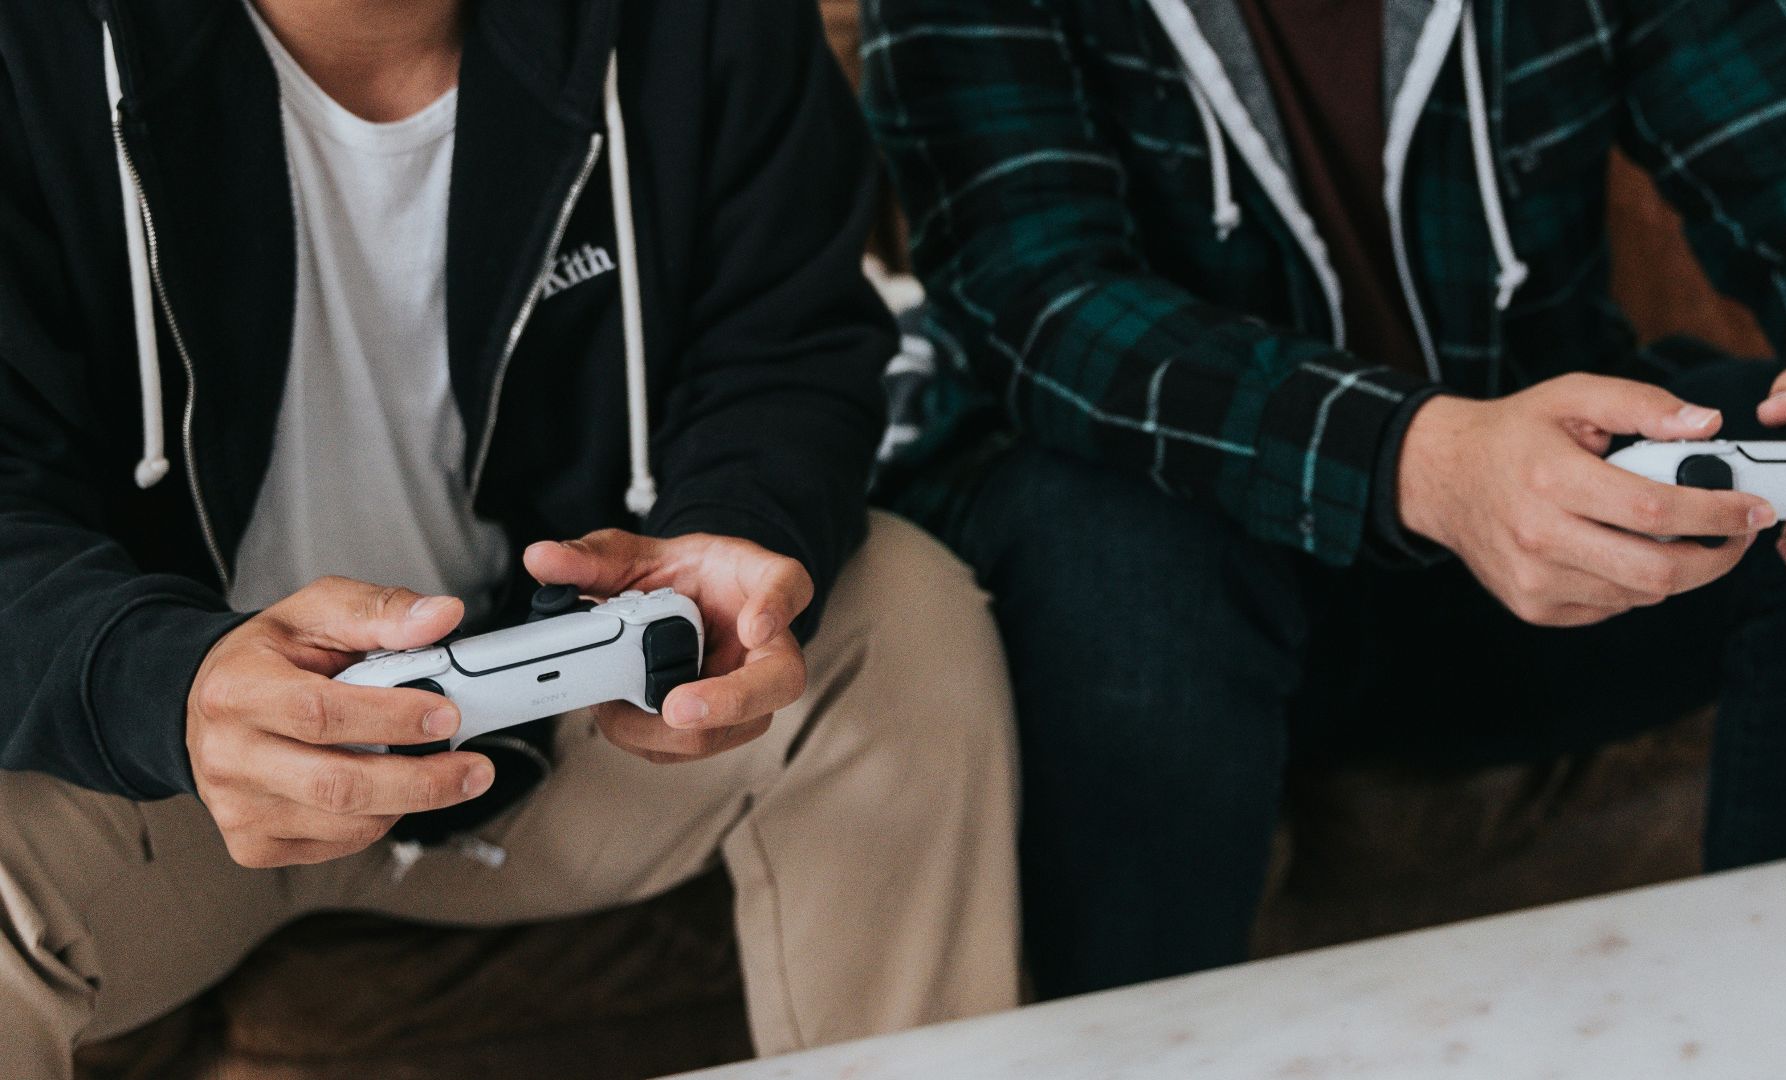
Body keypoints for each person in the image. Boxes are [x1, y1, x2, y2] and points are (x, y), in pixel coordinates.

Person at [0, 0, 1021, 1073]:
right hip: (162, 779)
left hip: (566, 736)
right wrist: (161, 687)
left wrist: (730, 534)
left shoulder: (712, 25)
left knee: (903, 619)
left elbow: (785, 347)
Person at [862, 0, 1786, 999]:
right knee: (1110, 548)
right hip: (1180, 587)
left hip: (1542, 567)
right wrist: (1423, 458)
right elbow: (1037, 297)